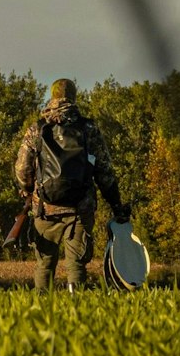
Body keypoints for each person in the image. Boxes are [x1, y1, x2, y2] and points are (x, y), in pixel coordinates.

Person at [15, 78, 129, 292]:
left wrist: (29, 192)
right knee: (76, 264)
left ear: (52, 96)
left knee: (45, 264)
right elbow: (104, 172)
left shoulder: (36, 130)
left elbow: (22, 169)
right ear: (74, 97)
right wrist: (116, 206)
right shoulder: (88, 129)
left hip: (44, 209)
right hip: (80, 208)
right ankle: (76, 312)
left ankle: (39, 312)